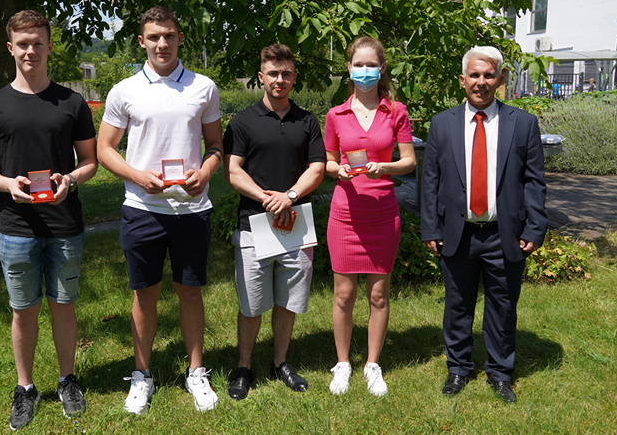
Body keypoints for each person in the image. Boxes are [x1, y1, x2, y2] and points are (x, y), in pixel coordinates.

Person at [0, 10, 98, 430]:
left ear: (49, 47)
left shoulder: (72, 103)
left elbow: (90, 161)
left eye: (38, 43)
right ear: (10, 48)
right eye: (23, 44)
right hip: (17, 228)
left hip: (64, 224)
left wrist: (70, 180)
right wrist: (7, 184)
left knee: (64, 305)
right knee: (23, 310)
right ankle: (25, 388)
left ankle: (67, 380)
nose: (30, 51)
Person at [97, 6, 223, 414]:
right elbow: (104, 149)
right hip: (143, 208)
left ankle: (196, 372)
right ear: (142, 42)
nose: (162, 43)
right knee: (144, 294)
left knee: (190, 291)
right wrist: (136, 175)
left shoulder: (203, 87)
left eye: (169, 35)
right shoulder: (124, 90)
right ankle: (142, 375)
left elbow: (216, 146)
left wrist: (206, 171)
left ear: (180, 38)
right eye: (154, 37)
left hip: (191, 209)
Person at [420, 46, 547, 403]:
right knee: (457, 305)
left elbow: (534, 181)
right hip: (457, 233)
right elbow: (430, 180)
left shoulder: (523, 124)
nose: (481, 82)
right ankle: (458, 368)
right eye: (474, 75)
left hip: (503, 233)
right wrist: (430, 227)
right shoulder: (442, 124)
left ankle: (500, 372)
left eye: (489, 75)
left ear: (500, 79)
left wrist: (534, 227)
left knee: (502, 307)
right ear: (462, 80)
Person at [223, 44, 325, 400]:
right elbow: (232, 171)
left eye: (286, 74)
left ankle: (280, 362)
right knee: (251, 303)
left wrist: (290, 196)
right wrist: (266, 197)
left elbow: (317, 167)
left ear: (294, 78)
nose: (279, 80)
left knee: (288, 300)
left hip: (296, 222)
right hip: (254, 224)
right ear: (261, 77)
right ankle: (244, 366)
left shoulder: (307, 121)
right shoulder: (242, 122)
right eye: (273, 73)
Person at [324, 36, 416, 397]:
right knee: (343, 295)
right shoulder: (335, 115)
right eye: (359, 65)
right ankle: (343, 363)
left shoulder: (396, 111)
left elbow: (409, 161)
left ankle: (373, 365)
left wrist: (385, 167)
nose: (365, 71)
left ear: (382, 68)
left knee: (379, 294)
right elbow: (328, 161)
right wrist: (338, 170)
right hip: (345, 214)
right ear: (349, 68)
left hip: (382, 213)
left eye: (371, 65)